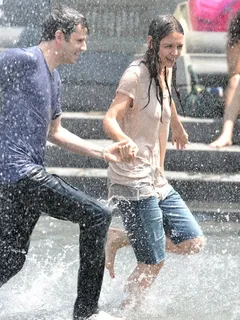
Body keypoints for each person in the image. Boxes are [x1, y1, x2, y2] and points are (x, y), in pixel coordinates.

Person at [0, 5, 128, 320]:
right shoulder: (23, 60)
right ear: (60, 37)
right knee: (98, 216)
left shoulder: (54, 79)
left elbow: (55, 132)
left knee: (11, 260)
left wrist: (102, 152)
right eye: (79, 41)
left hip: (22, 176)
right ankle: (86, 313)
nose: (84, 48)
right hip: (15, 171)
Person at [103, 14, 206, 309]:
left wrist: (177, 125)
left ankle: (121, 238)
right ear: (152, 43)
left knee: (192, 242)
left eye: (179, 46)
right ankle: (126, 311)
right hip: (131, 178)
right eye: (168, 46)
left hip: (155, 176)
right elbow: (109, 119)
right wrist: (123, 140)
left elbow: (166, 97)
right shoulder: (134, 75)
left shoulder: (166, 69)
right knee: (153, 261)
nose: (174, 53)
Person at [210, 10, 240, 148]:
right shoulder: (237, 37)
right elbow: (234, 72)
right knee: (236, 80)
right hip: (237, 94)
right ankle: (226, 134)